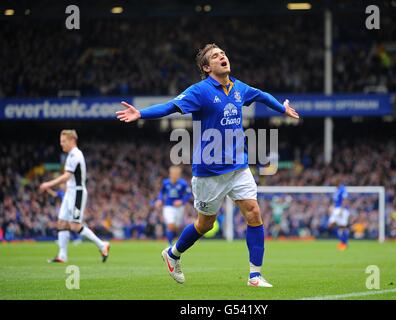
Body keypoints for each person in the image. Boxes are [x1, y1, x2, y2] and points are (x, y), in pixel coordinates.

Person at [116, 43, 299, 287]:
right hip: (209, 170)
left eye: (223, 53)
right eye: (215, 56)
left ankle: (255, 275)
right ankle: (173, 254)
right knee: (205, 224)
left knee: (254, 213)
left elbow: (262, 95)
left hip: (238, 166)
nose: (222, 56)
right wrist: (141, 114)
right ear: (206, 67)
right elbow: (170, 106)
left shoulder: (238, 88)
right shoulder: (200, 91)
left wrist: (282, 108)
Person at [39, 130, 110, 263]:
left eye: (63, 141)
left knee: (75, 226)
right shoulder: (71, 155)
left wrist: (48, 184)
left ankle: (102, 245)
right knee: (61, 222)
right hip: (70, 193)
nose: (61, 144)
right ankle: (62, 255)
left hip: (77, 193)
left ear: (72, 140)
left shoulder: (75, 155)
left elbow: (67, 176)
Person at [155, 166, 191, 246]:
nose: (174, 176)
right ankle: (170, 245)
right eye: (173, 174)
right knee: (170, 225)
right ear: (170, 174)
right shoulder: (166, 182)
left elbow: (188, 194)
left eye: (176, 174)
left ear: (179, 175)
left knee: (176, 227)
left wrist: (182, 201)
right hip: (168, 206)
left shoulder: (183, 183)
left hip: (179, 208)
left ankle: (174, 239)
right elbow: (162, 192)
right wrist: (160, 199)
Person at [328, 182, 350, 250]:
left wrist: (342, 209)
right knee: (331, 225)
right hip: (336, 209)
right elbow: (335, 201)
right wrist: (331, 207)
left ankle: (344, 244)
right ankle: (343, 242)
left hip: (342, 210)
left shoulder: (343, 189)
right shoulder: (336, 190)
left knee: (342, 227)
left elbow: (345, 199)